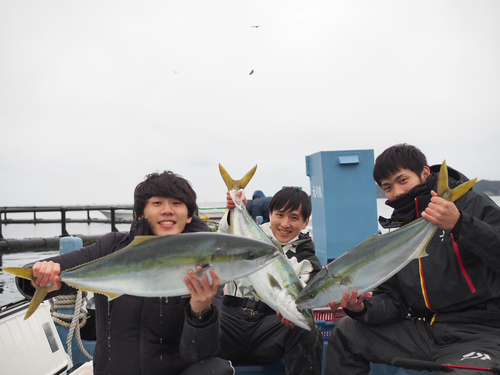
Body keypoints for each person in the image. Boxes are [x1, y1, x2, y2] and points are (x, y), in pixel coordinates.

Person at [15, 171, 234, 375]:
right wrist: (38, 278)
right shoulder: (111, 248)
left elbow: (199, 354)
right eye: (157, 203)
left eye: (177, 203)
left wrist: (200, 311)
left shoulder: (204, 262)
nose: (167, 210)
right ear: (140, 213)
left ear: (188, 216)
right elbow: (46, 270)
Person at [326, 144, 500, 375]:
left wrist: (460, 224)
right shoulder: (398, 230)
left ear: (425, 174)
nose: (396, 192)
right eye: (387, 187)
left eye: (402, 180)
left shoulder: (472, 205)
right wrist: (362, 308)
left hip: (482, 331)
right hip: (427, 330)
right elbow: (394, 300)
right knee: (348, 331)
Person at [218, 187, 324, 375]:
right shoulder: (250, 236)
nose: (285, 224)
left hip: (270, 328)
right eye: (279, 215)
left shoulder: (308, 261)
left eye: (294, 217)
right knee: (193, 318)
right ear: (270, 214)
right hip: (230, 320)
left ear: (306, 221)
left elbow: (304, 300)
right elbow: (224, 237)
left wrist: (292, 316)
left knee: (308, 331)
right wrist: (234, 208)